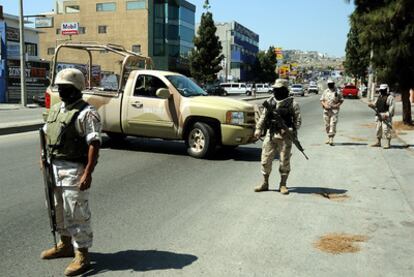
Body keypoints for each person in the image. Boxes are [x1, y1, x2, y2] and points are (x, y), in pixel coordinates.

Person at [40, 68, 102, 276]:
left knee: (77, 213)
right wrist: (42, 159)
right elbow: (46, 134)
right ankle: (65, 244)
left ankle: (82, 254)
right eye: (60, 88)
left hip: (74, 168)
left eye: (66, 88)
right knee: (56, 209)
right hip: (53, 168)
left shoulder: (87, 112)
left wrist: (88, 173)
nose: (62, 91)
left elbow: (94, 143)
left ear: (77, 88)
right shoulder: (56, 110)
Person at [254, 79, 301, 195]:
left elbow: (298, 121)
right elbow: (263, 117)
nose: (276, 91)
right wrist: (258, 129)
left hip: (285, 137)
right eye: (275, 89)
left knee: (284, 161)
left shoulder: (292, 104)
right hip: (271, 135)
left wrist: (291, 130)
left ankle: (283, 184)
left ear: (285, 90)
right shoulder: (270, 101)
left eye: (279, 89)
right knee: (265, 159)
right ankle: (265, 183)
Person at [368, 84, 395, 149]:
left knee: (386, 129)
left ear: (386, 90)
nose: (382, 91)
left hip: (385, 115)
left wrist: (387, 115)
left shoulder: (390, 97)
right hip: (378, 115)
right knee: (378, 129)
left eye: (383, 90)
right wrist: (371, 105)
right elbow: (375, 104)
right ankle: (378, 142)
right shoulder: (379, 96)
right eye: (381, 90)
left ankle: (388, 143)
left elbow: (392, 108)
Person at [320, 79, 344, 145]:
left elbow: (341, 100)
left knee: (332, 124)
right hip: (326, 111)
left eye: (331, 84)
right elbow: (322, 100)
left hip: (334, 111)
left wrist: (336, 105)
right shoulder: (325, 91)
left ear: (333, 84)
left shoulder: (338, 91)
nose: (330, 85)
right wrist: (324, 105)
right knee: (327, 125)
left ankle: (331, 139)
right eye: (329, 84)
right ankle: (328, 137)